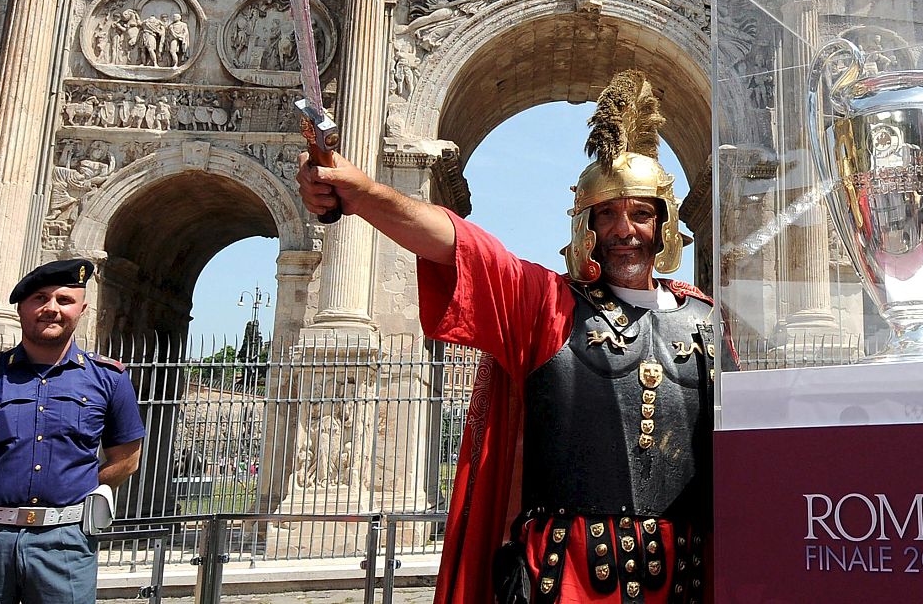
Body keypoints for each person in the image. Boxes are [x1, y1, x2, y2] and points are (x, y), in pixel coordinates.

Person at [298, 70, 719, 604]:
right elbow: (462, 246)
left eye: (640, 213)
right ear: (585, 225)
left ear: (664, 225)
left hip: (684, 576)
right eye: (607, 213)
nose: (623, 229)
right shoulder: (546, 304)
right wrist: (362, 194)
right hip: (568, 578)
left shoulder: (707, 321)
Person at [0, 259, 145, 604]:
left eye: (64, 300)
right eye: (40, 298)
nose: (51, 309)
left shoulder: (109, 380)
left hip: (66, 541)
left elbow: (126, 459)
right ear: (21, 307)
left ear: (82, 309)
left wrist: (78, 491)